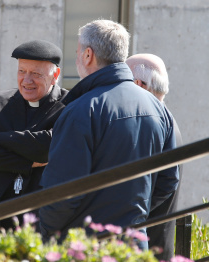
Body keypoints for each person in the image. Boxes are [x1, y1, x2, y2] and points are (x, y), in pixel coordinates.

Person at [38, 20, 179, 250]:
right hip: (132, 245)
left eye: (77, 53)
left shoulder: (80, 110)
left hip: (84, 247)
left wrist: (47, 234)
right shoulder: (158, 109)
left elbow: (62, 193)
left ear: (88, 55)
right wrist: (132, 218)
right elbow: (169, 179)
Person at [0, 40, 68, 245]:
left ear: (55, 75)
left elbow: (50, 148)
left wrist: (2, 137)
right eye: (22, 71)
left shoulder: (69, 105)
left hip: (39, 220)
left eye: (36, 74)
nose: (27, 80)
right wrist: (27, 163)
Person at [126, 53, 183, 260]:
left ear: (139, 85)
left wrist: (125, 212)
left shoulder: (152, 126)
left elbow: (167, 183)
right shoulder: (166, 121)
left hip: (147, 245)